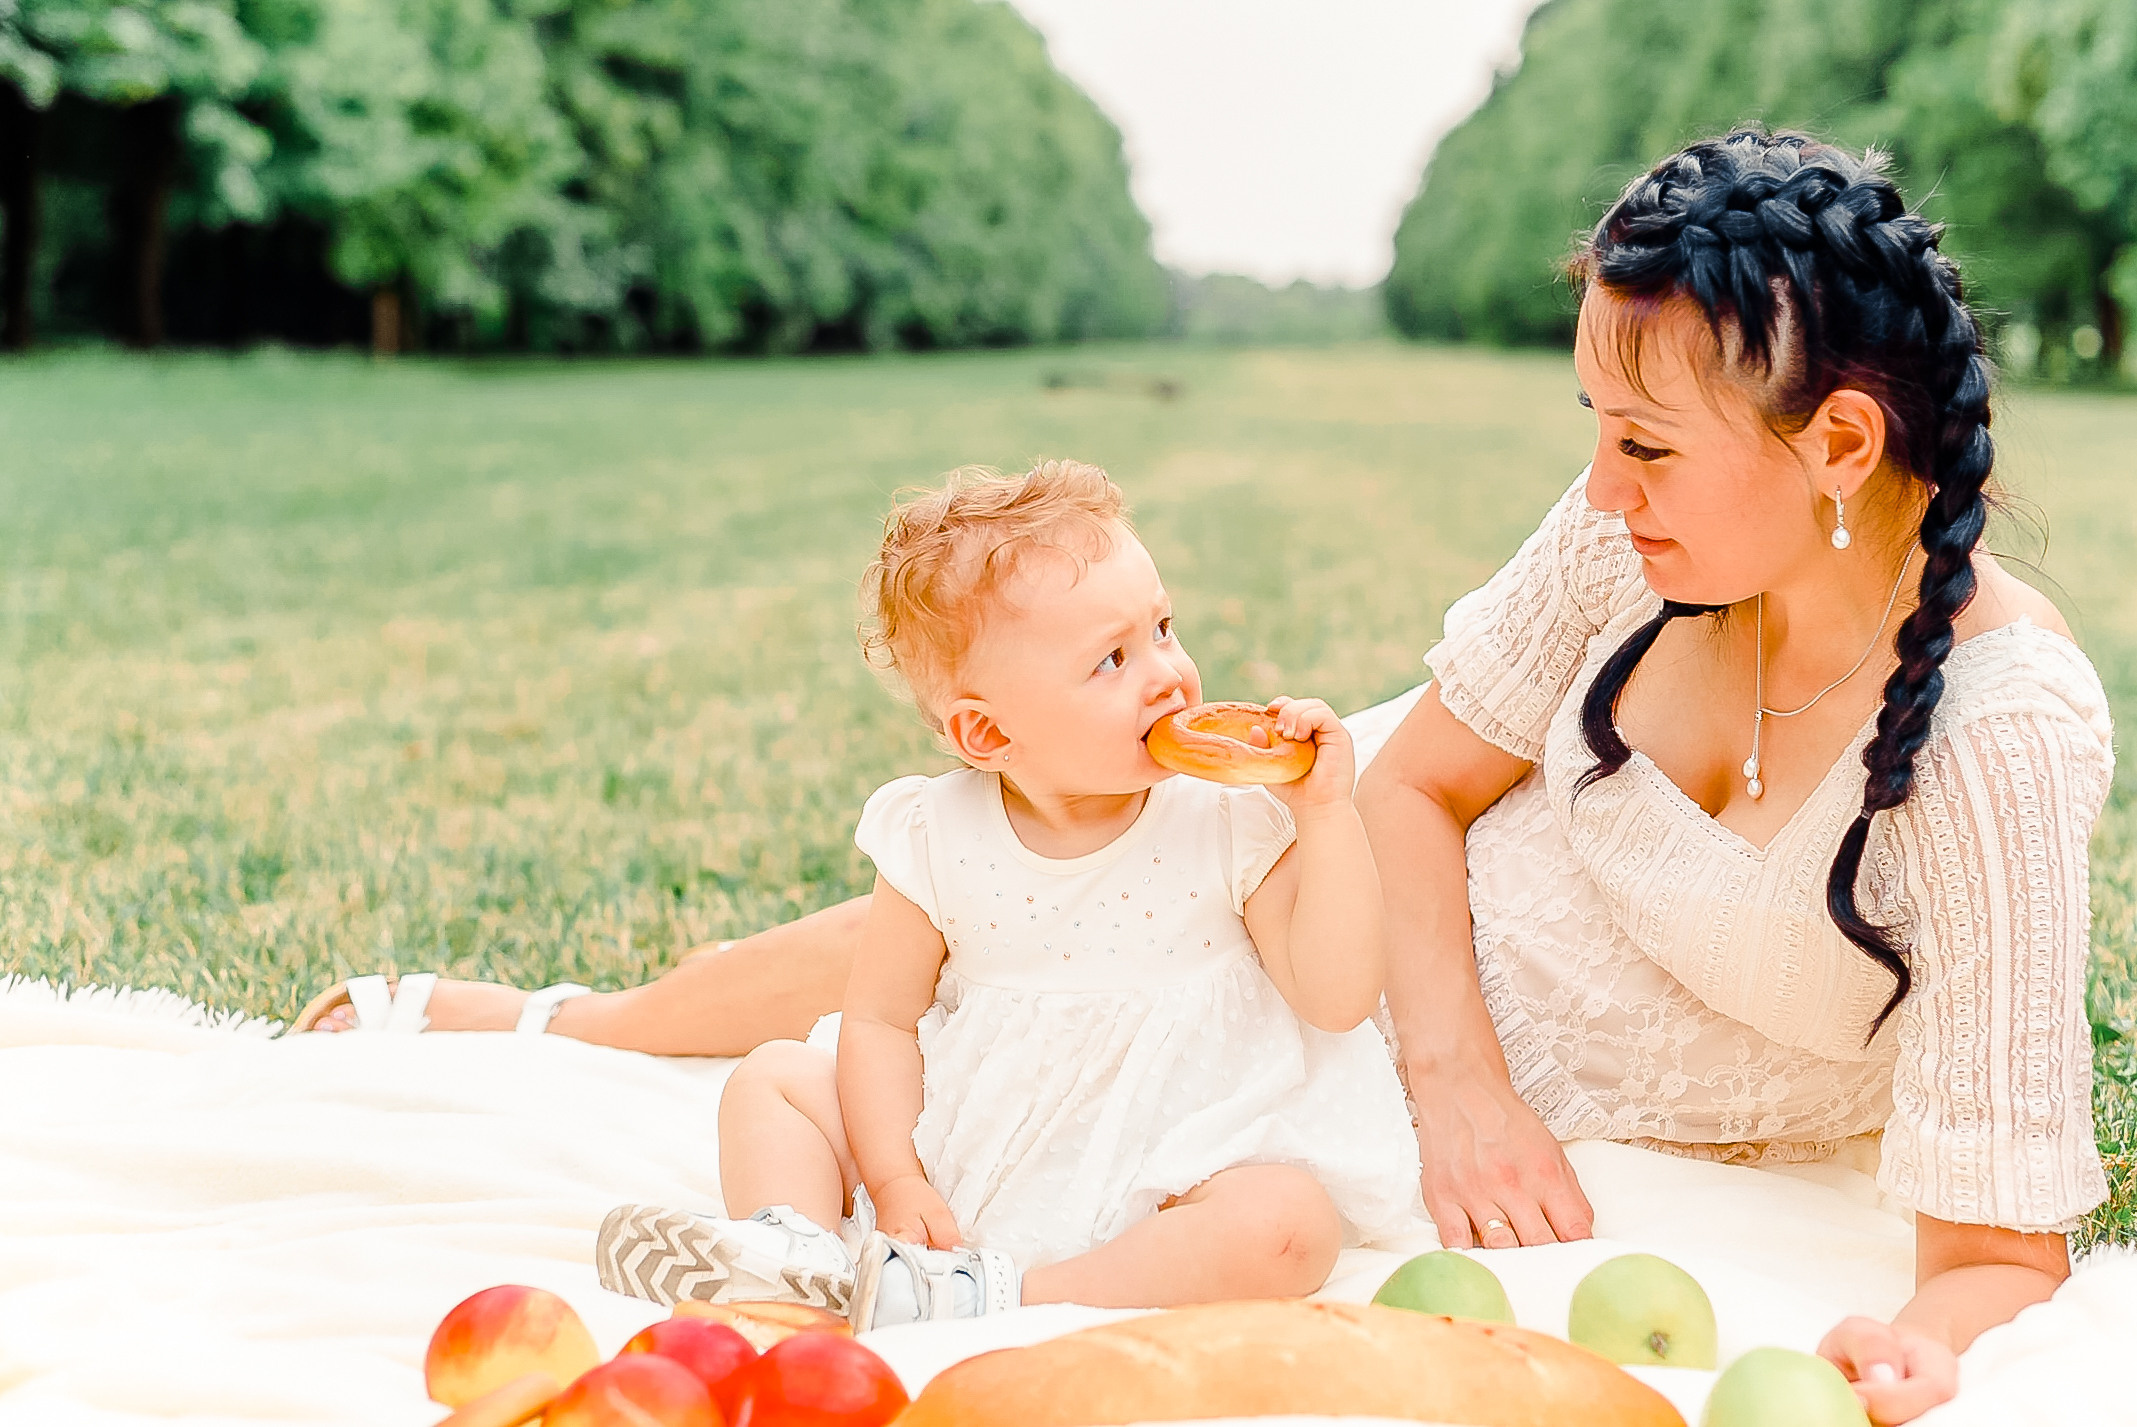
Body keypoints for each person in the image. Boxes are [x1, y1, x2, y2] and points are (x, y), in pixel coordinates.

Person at [294, 131, 2113, 1423]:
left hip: (1465, 1077)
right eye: (1593, 433)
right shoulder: (1625, 541)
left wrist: (1922, 1345)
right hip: (1381, 921)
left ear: (1842, 444)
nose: (1605, 487)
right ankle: (554, 1021)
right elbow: (1411, 788)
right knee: (946, 931)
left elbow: (1992, 1241)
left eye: (1644, 444)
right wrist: (1456, 1081)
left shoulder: (1998, 746)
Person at [585, 461, 1420, 1329]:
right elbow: (879, 1020)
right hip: (960, 1135)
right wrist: (895, 1178)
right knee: (773, 1081)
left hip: (1169, 1157)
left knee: (1288, 1225)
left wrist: (1325, 815)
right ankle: (793, 1246)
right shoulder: (934, 834)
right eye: (1111, 658)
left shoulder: (1226, 818)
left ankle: (994, 1295)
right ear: (987, 731)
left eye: (1163, 628)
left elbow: (1336, 997)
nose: (1167, 674)